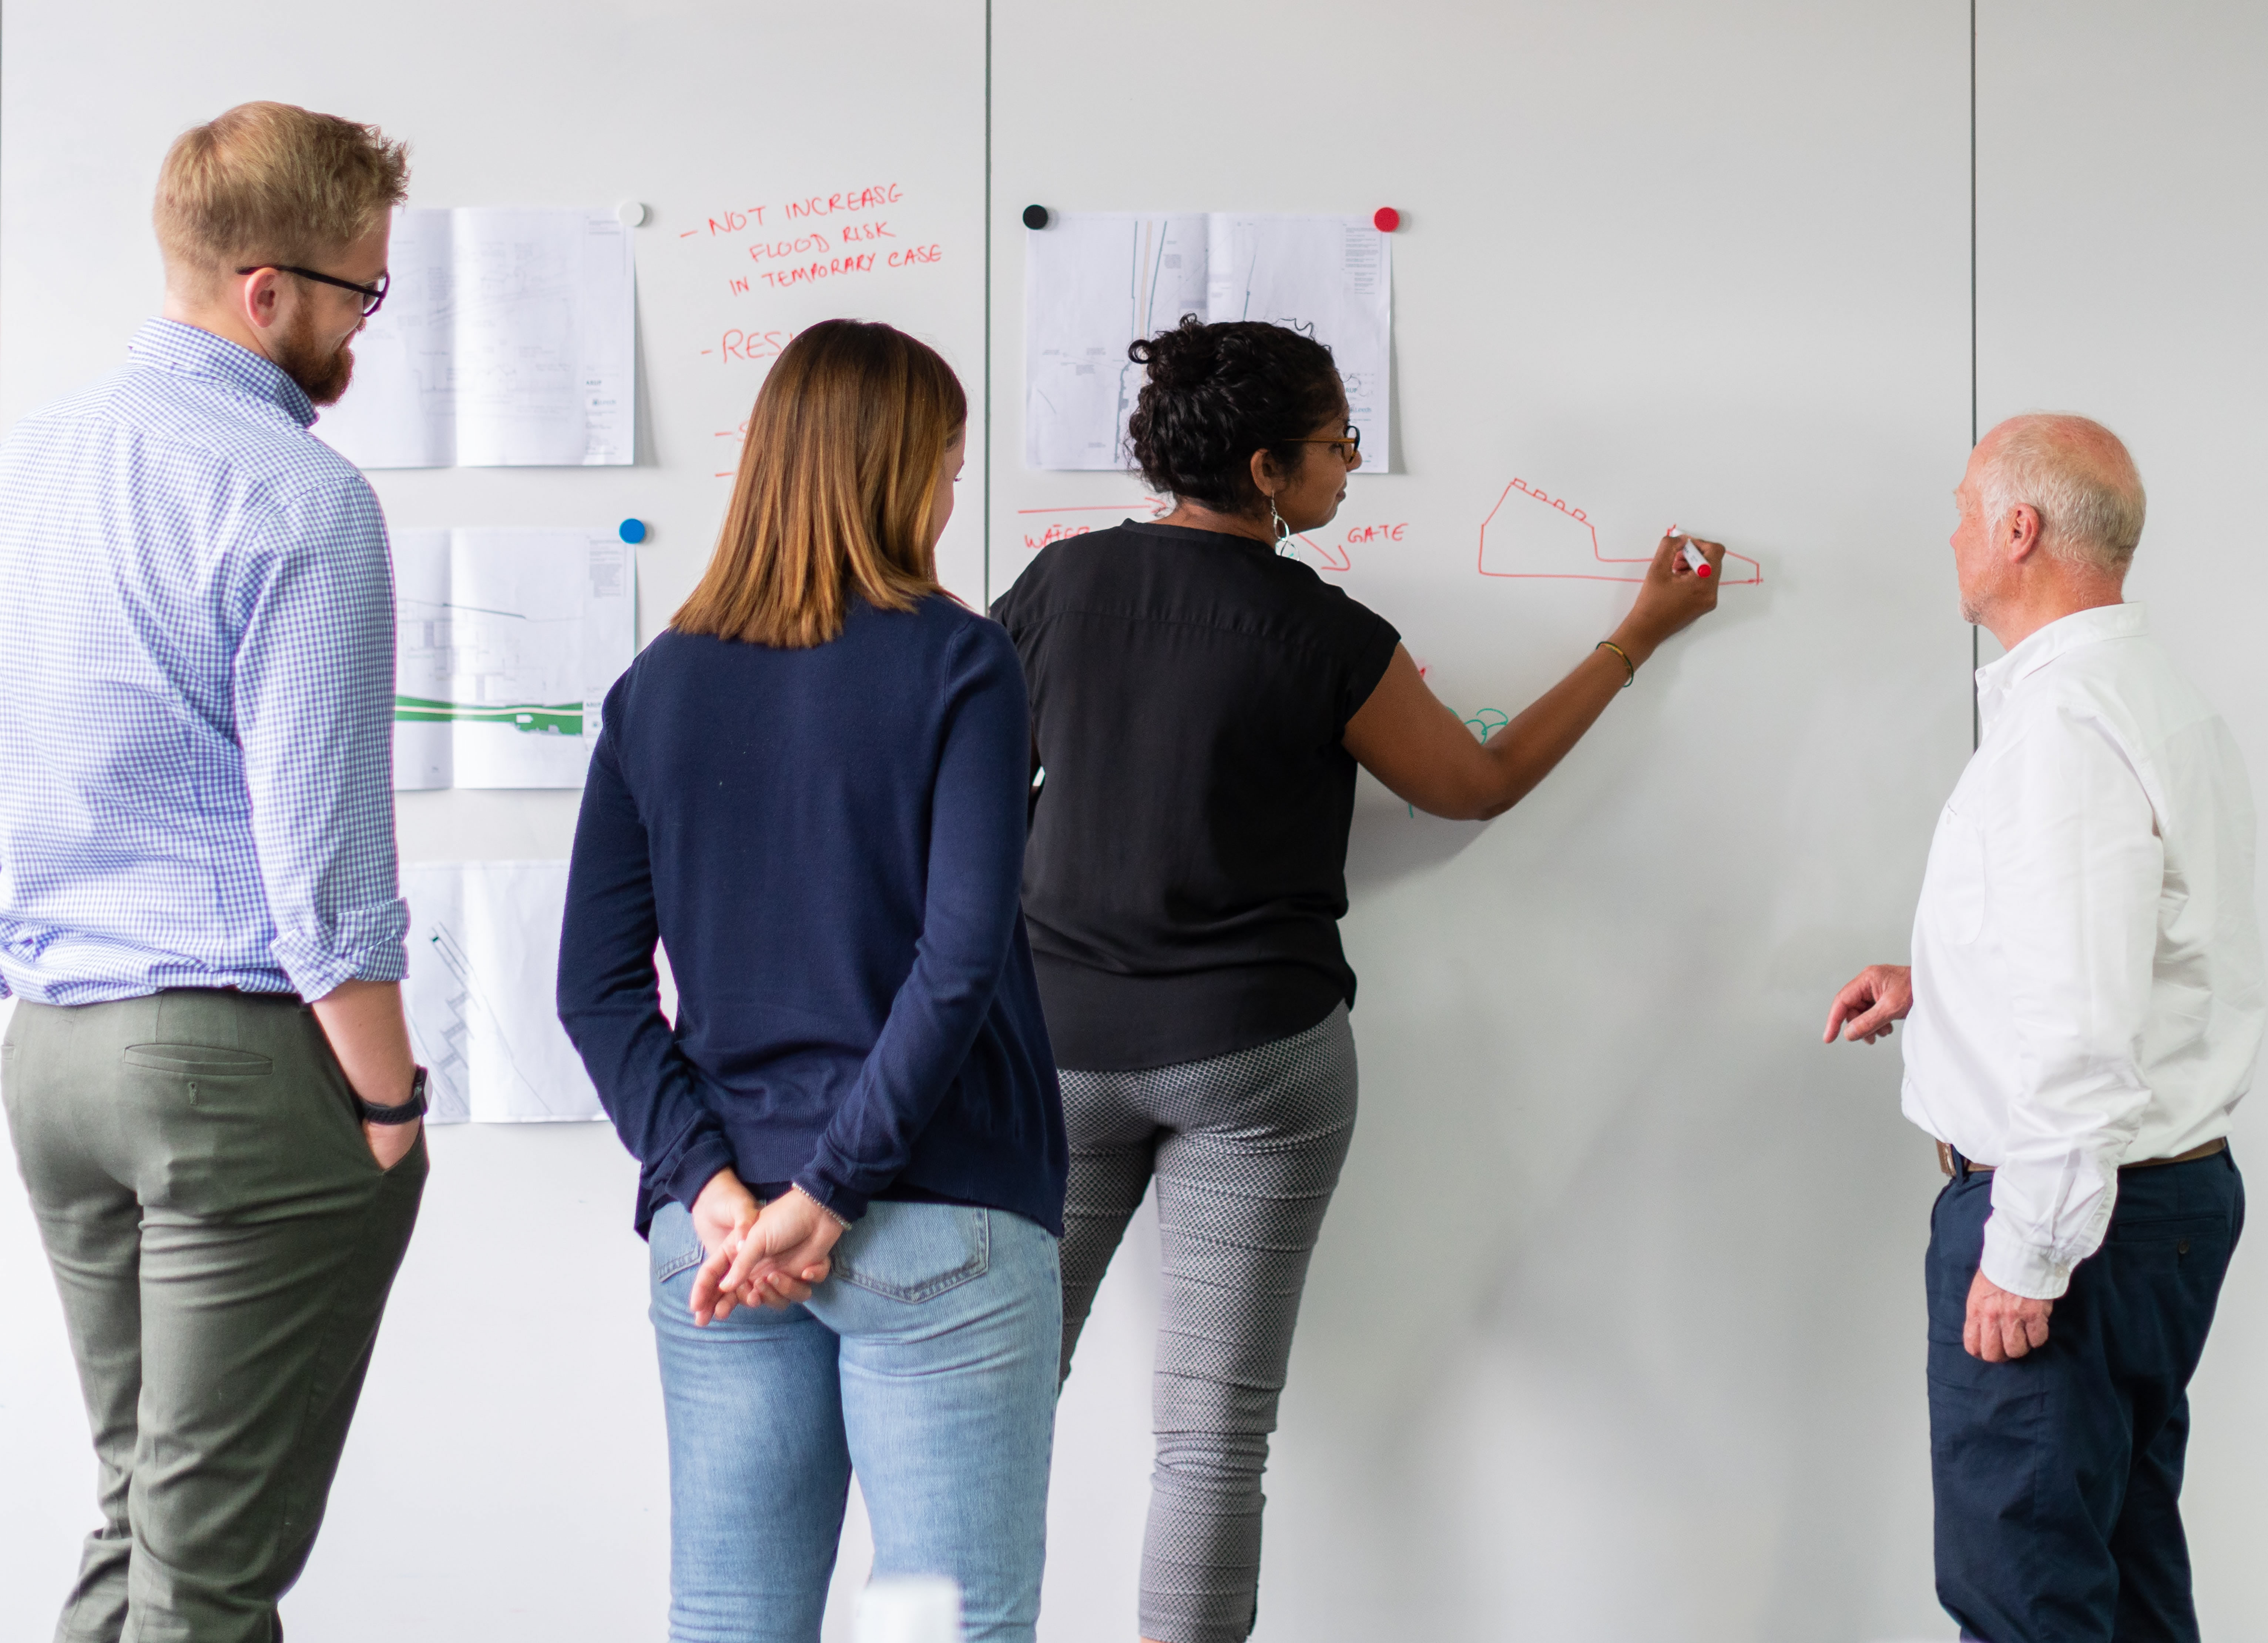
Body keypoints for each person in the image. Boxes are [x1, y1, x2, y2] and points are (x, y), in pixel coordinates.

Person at [990, 315, 1725, 1643]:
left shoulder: (1060, 586)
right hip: (1254, 1056)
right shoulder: (1326, 634)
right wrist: (1636, 635)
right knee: (1212, 1440)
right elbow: (1475, 786)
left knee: (992, 1400)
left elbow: (975, 781)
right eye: (1338, 444)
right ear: (1266, 470)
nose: (1351, 465)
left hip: (1056, 1050)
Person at [557, 320, 1067, 1643]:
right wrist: (830, 1193)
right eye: (948, 464)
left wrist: (718, 1190)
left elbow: (595, 991)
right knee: (942, 1625)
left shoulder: (657, 686)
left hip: (720, 1237)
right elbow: (958, 962)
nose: (951, 495)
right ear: (900, 472)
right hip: (934, 1215)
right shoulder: (962, 663)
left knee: (732, 1620)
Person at [0, 103, 427, 1643]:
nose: (366, 324)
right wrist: (390, 1104)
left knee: (145, 1521)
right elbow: (325, 868)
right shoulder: (298, 497)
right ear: (267, 292)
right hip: (234, 1072)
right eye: (361, 290)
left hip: (53, 1056)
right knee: (211, 1572)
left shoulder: (29, 464)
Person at [1825, 415, 2259, 1643]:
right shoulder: (2146, 697)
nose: (1952, 535)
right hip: (2157, 1204)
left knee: (2027, 1599)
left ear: (2019, 531)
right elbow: (2137, 950)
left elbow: (2081, 1024)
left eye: (1965, 510)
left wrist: (2030, 1251)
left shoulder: (2065, 727)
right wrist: (1938, 980)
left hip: (2074, 1213)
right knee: (2124, 1572)